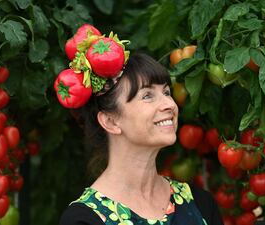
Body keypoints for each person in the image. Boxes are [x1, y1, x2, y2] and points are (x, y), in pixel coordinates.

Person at [58, 53, 224, 225]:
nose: (170, 104)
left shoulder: (200, 203)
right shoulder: (83, 220)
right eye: (147, 96)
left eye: (167, 92)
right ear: (110, 121)